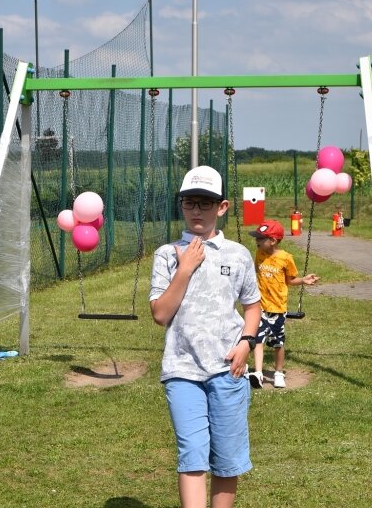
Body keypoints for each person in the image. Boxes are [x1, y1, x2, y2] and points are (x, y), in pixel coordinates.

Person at [149, 165, 261, 508]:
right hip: (182, 371)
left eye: (206, 203)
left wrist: (246, 343)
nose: (197, 210)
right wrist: (185, 268)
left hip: (228, 371)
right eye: (190, 203)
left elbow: (253, 306)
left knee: (227, 459)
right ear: (181, 205)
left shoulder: (238, 255)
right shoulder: (167, 255)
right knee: (193, 457)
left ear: (222, 207)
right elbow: (160, 314)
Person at [247, 219, 319, 389]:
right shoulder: (259, 254)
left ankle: (278, 372)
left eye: (260, 238)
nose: (256, 241)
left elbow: (290, 280)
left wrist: (303, 280)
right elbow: (256, 274)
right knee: (258, 340)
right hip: (261, 306)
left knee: (277, 343)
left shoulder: (286, 258)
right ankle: (258, 373)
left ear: (272, 241)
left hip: (278, 308)